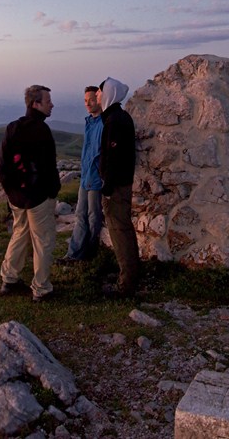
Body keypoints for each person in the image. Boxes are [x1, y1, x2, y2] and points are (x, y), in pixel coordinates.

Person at [0, 84, 61, 302]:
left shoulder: (13, 127)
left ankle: (9, 279)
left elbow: (1, 165)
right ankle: (41, 289)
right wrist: (52, 191)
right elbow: (49, 167)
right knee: (43, 240)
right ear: (36, 104)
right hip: (39, 197)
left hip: (17, 197)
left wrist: (12, 191)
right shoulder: (41, 131)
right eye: (48, 101)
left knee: (20, 233)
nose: (52, 105)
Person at [97, 77, 139, 297]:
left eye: (100, 92)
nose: (97, 95)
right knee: (123, 228)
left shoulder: (114, 121)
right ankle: (129, 273)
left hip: (117, 186)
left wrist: (107, 186)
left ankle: (126, 284)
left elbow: (113, 156)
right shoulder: (119, 117)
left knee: (119, 230)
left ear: (109, 94)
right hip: (121, 183)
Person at [59, 86, 104, 264]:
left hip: (96, 178)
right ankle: (73, 254)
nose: (87, 103)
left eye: (91, 100)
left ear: (99, 100)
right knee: (80, 214)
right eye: (85, 100)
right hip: (86, 177)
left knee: (93, 216)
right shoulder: (89, 122)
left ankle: (89, 254)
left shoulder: (103, 123)